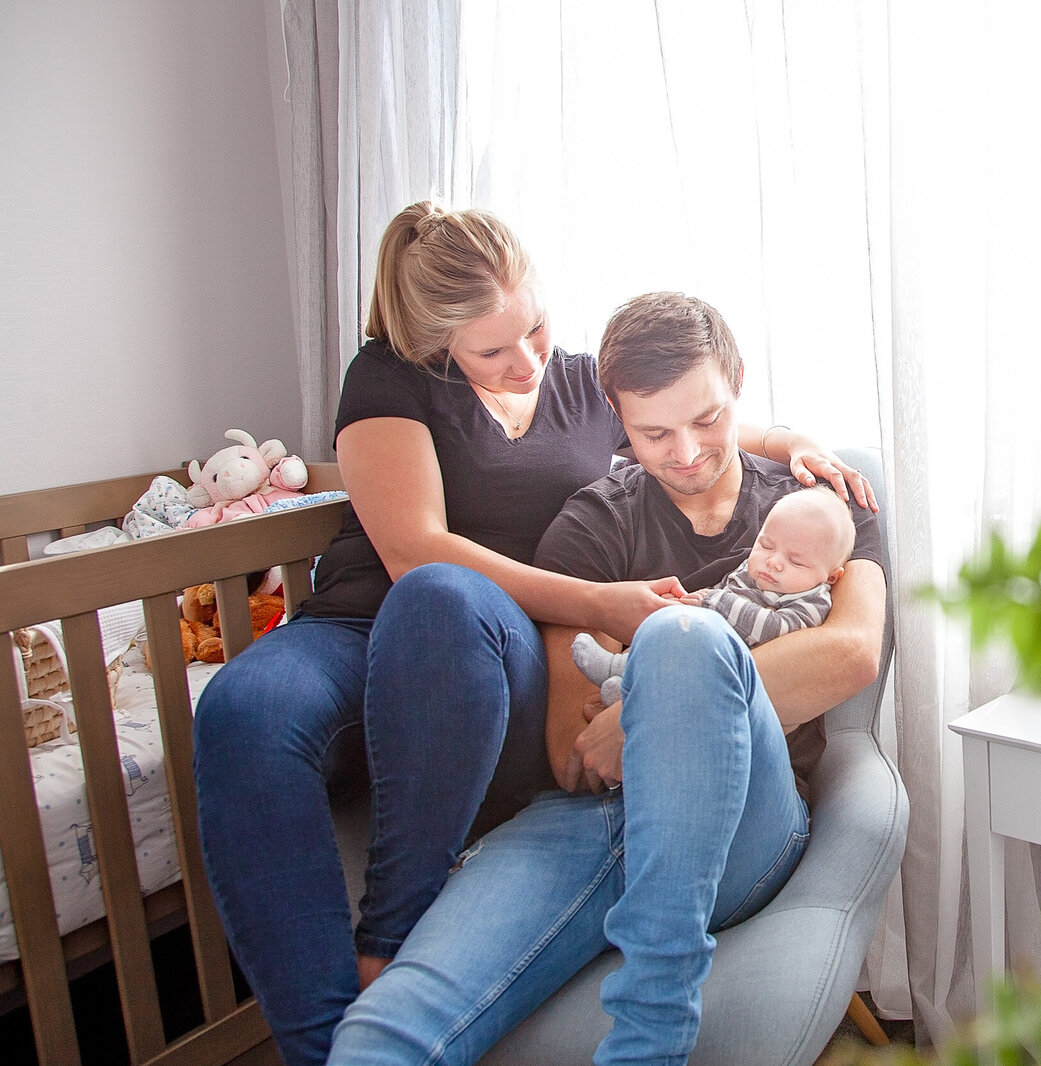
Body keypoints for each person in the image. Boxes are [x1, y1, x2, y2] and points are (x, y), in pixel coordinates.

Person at [191, 205, 876, 1066]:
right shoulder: (411, 394)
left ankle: (626, 1018)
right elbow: (422, 561)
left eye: (540, 330)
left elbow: (698, 423)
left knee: (681, 643)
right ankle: (323, 1037)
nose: (529, 363)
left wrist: (801, 443)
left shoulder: (805, 506)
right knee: (244, 710)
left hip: (536, 667)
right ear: (441, 346)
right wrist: (598, 604)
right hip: (412, 625)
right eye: (494, 351)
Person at [570, 483, 856, 705]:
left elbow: (776, 629)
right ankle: (622, 674)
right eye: (766, 545)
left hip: (728, 674)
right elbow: (720, 592)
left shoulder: (812, 602)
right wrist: (687, 604)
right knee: (665, 630)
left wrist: (713, 602)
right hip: (704, 640)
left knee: (683, 663)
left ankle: (625, 681)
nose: (774, 561)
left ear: (830, 576)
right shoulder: (754, 571)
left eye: (796, 561)